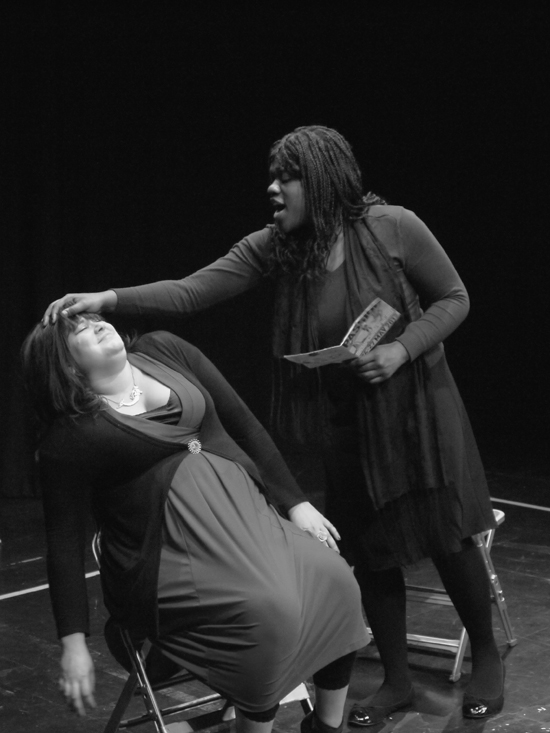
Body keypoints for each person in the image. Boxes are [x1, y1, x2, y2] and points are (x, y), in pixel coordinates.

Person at [44, 125, 505, 723]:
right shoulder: (278, 246)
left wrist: (401, 349)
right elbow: (191, 291)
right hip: (347, 417)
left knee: (446, 531)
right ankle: (395, 679)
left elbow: (455, 296)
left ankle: (487, 658)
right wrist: (108, 298)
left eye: (285, 176)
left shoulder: (393, 225)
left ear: (320, 180)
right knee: (371, 546)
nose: (273, 187)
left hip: (417, 407)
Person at [21, 312, 371, 733]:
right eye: (78, 331)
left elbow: (244, 424)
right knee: (267, 613)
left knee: (338, 580)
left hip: (251, 524)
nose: (96, 325)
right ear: (65, 363)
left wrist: (296, 503)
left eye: (96, 319)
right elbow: (63, 543)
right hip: (172, 559)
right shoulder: (71, 437)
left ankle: (325, 727)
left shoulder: (164, 350)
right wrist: (73, 643)